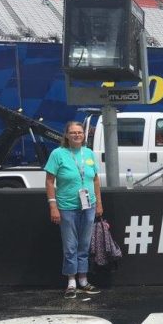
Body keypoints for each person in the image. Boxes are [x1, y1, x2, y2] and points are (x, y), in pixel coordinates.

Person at [45, 121, 103, 298]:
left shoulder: (89, 153)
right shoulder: (58, 154)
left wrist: (99, 203)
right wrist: (53, 206)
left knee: (84, 245)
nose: (77, 135)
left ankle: (83, 280)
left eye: (80, 132)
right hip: (67, 207)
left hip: (89, 206)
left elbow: (95, 180)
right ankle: (71, 282)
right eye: (73, 132)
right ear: (67, 135)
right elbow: (49, 181)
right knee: (70, 246)